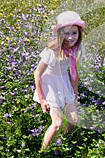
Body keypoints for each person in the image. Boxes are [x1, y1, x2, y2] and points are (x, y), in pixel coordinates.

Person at [33, 11, 86, 151]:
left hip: (64, 83)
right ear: (60, 33)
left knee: (74, 120)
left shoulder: (77, 49)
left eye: (74, 33)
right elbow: (37, 74)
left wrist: (75, 94)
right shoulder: (53, 50)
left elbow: (74, 74)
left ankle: (65, 142)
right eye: (67, 33)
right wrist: (42, 98)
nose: (70, 37)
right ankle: (43, 152)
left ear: (79, 33)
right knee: (57, 123)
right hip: (49, 85)